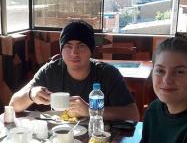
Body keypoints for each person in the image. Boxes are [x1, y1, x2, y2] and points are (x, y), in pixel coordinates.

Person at [9, 20, 139, 121]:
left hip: (97, 139)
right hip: (58, 137)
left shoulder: (108, 74)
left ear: (91, 50)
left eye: (81, 46)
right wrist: (31, 95)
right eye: (68, 46)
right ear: (61, 50)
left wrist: (91, 110)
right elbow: (13, 105)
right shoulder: (51, 71)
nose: (74, 53)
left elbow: (133, 115)